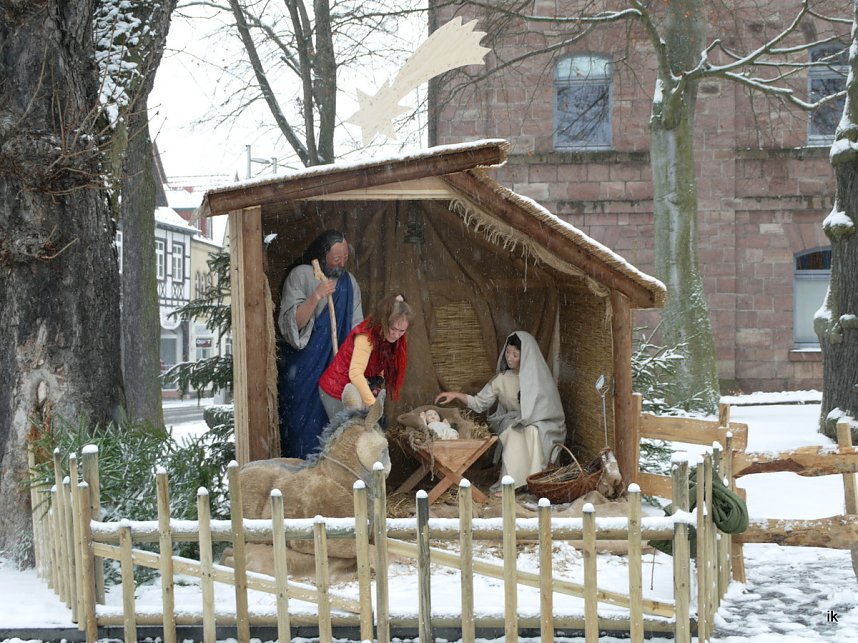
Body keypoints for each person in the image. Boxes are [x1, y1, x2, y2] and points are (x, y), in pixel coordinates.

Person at [435, 331, 566, 492]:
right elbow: (479, 403)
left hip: (540, 423)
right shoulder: (501, 379)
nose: (509, 358)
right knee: (513, 433)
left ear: (525, 356)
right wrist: (455, 395)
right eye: (508, 352)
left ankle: (534, 482)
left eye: (515, 354)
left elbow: (549, 410)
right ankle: (510, 485)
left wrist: (530, 419)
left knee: (532, 432)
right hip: (512, 422)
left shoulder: (539, 379)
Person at [277, 229, 363, 458]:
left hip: (336, 367)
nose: (341, 264)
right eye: (336, 259)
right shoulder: (301, 276)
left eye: (345, 258)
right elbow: (291, 325)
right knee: (301, 423)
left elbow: (357, 327)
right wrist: (315, 296)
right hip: (305, 368)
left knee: (335, 423)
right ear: (322, 255)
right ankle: (300, 469)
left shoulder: (349, 282)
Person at [318, 293, 414, 419]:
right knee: (347, 433)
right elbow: (355, 374)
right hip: (336, 390)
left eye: (402, 331)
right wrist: (375, 408)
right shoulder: (365, 337)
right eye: (394, 329)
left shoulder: (387, 338)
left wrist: (374, 385)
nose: (396, 335)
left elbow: (380, 362)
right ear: (385, 321)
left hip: (356, 389)